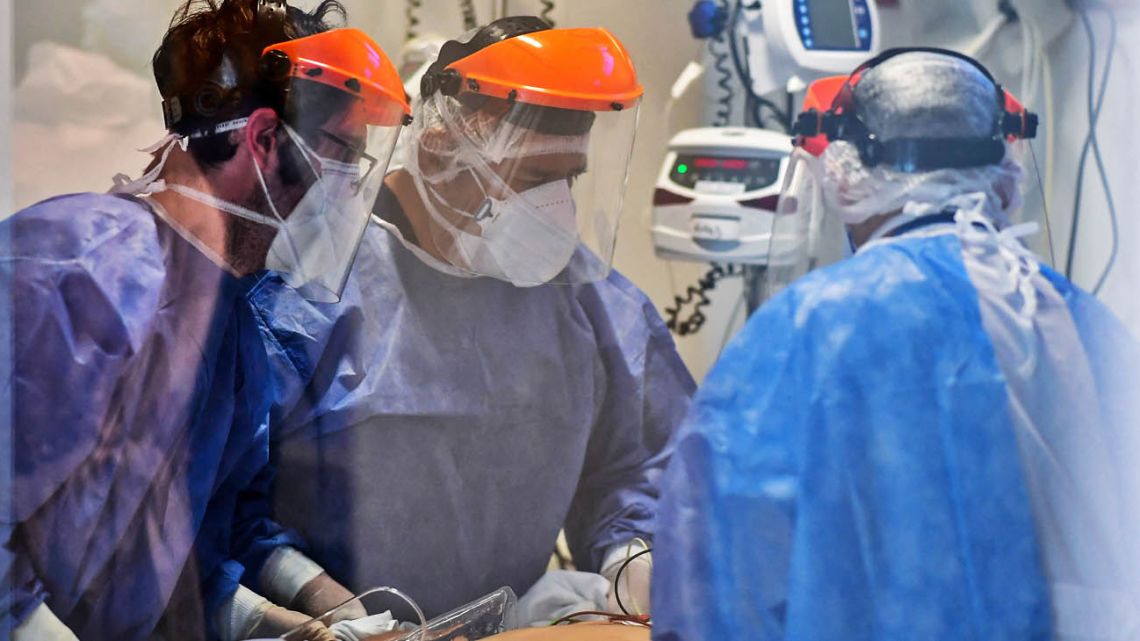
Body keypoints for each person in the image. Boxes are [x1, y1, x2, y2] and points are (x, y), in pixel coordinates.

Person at [652, 49, 1140, 641]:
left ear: (841, 171)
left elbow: (716, 575)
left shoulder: (801, 331)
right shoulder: (1083, 324)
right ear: (1006, 165)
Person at [248, 16, 694, 624]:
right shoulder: (309, 293)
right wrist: (319, 601)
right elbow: (226, 503)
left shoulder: (586, 302)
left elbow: (639, 460)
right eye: (536, 178)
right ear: (439, 151)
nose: (555, 209)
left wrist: (631, 559)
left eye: (571, 178)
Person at [1, 1, 410, 639]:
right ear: (266, 139)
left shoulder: (235, 318)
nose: (351, 187)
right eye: (342, 157)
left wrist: (284, 619)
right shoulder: (72, 273)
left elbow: (171, 560)